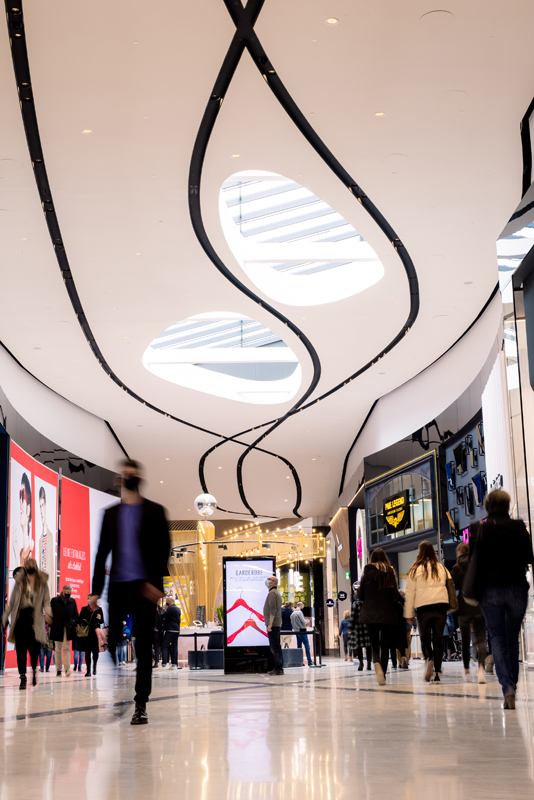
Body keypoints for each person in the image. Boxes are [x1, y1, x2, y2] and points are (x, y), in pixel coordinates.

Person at [89, 459, 171, 725]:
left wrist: (156, 586)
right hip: (119, 587)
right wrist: (94, 591)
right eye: (126, 475)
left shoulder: (156, 511)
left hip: (144, 588)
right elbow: (102, 553)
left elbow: (163, 549)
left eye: (133, 474)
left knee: (143, 645)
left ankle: (140, 703)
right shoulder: (111, 514)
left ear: (139, 479)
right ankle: (122, 682)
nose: (129, 478)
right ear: (120, 480)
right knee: (111, 644)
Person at [469, 489, 533, 709]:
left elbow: (473, 561)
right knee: (512, 638)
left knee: (496, 636)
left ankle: (507, 688)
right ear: (507, 505)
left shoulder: (479, 529)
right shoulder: (518, 526)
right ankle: (511, 683)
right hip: (516, 588)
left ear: (487, 506)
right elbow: (528, 557)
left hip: (490, 590)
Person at [404, 541, 452, 683]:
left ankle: (429, 658)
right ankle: (437, 672)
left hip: (423, 609)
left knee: (425, 639)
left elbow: (410, 592)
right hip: (440, 608)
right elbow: (450, 586)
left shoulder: (414, 569)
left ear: (420, 553)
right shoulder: (441, 568)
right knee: (437, 640)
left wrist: (408, 613)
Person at [2, 558, 52, 689]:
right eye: (28, 564)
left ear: (35, 566)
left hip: (34, 620)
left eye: (32, 564)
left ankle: (35, 671)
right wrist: (5, 616)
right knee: (21, 651)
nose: (30, 566)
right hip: (20, 619)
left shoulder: (42, 583)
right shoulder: (19, 583)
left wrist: (48, 613)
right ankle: (22, 677)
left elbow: (46, 601)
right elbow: (12, 603)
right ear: (25, 567)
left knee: (34, 651)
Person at [359, 549, 401, 685]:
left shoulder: (366, 574)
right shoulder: (389, 572)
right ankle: (382, 671)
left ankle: (375, 660)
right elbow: (394, 596)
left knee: (374, 642)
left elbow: (360, 595)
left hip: (370, 613)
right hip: (386, 612)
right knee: (385, 644)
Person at [451, 542, 487, 683]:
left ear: (459, 552)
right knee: (481, 639)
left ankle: (466, 669)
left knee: (465, 640)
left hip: (463, 608)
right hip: (479, 606)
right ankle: (481, 669)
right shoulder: (477, 566)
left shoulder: (456, 568)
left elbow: (453, 589)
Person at [50, 584, 78, 677]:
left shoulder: (72, 601)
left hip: (68, 627)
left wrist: (74, 623)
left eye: (70, 593)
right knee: (58, 649)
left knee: (66, 648)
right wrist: (52, 624)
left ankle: (67, 669)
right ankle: (58, 669)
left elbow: (75, 614)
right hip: (57, 627)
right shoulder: (54, 601)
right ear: (63, 591)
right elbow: (50, 613)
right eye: (67, 593)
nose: (69, 594)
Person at [78, 595, 104, 676]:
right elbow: (80, 620)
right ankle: (88, 670)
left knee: (95, 652)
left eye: (91, 599)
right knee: (87, 652)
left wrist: (100, 619)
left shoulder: (99, 609)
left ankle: (95, 667)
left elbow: (102, 621)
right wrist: (82, 621)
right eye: (88, 598)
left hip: (95, 633)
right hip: (86, 633)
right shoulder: (84, 609)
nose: (89, 600)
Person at [11, 473, 32, 569]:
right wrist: (16, 553)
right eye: (20, 494)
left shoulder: (30, 553)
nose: (20, 501)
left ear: (28, 509)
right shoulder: (22, 552)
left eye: (22, 494)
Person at [263, 575, 283, 675]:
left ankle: (278, 668)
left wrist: (270, 624)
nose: (267, 581)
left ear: (274, 582)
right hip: (276, 623)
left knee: (275, 647)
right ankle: (278, 667)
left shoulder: (272, 593)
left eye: (269, 579)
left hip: (273, 624)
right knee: (276, 646)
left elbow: (272, 609)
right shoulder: (276, 593)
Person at [37, 486, 55, 596]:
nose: (41, 510)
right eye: (40, 506)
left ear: (46, 506)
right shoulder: (39, 539)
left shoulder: (51, 536)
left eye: (43, 505)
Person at [348, 593, 372, 671]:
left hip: (357, 628)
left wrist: (350, 628)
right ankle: (368, 663)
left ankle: (361, 662)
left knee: (358, 646)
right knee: (368, 646)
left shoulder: (355, 604)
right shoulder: (368, 604)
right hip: (367, 628)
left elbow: (353, 617)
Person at [161, 597, 181, 670]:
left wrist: (163, 609)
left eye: (166, 601)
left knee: (165, 645)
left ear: (169, 601)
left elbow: (162, 616)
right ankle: (174, 664)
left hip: (170, 630)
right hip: (176, 630)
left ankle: (164, 663)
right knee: (174, 647)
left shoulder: (170, 608)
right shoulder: (178, 609)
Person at [291, 602, 313, 666]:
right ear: (300, 606)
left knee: (299, 647)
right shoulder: (299, 612)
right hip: (302, 631)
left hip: (296, 631)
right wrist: (307, 621)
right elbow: (303, 621)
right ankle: (309, 661)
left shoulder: (292, 614)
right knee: (307, 646)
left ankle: (299, 662)